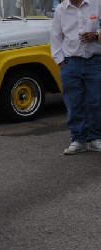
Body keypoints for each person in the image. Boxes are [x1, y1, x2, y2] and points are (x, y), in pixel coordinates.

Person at [51, 0, 101, 155]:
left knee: (96, 101)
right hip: (71, 63)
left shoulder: (97, 3)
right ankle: (77, 140)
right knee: (73, 103)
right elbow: (55, 37)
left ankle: (95, 138)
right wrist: (60, 61)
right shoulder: (61, 9)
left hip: (95, 61)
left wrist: (96, 35)